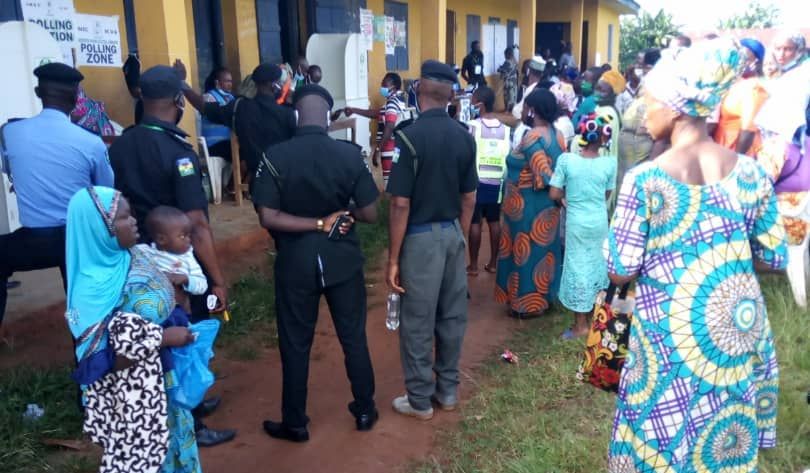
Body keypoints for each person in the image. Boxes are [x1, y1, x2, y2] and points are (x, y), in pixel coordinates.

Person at [605, 38, 786, 472]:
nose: (644, 110)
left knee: (656, 440)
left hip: (669, 334)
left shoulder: (646, 180)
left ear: (676, 106)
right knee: (720, 444)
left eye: (650, 100)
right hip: (734, 330)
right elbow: (775, 257)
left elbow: (620, 271)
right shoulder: (752, 173)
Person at [108, 65, 235, 447]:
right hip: (176, 261)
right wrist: (216, 280)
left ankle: (187, 407)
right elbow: (196, 224)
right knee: (183, 337)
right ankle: (190, 425)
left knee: (157, 338)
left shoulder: (122, 144)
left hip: (138, 262)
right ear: (179, 102)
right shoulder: (178, 151)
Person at [252, 84, 380, 441]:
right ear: (327, 116)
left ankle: (295, 422)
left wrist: (313, 224)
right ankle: (365, 409)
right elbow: (370, 212)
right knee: (353, 336)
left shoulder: (275, 156)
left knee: (295, 343)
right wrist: (336, 218)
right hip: (342, 259)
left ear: (296, 114)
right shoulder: (349, 155)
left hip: (295, 262)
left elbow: (268, 216)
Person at [65, 187, 202, 473]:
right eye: (123, 218)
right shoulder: (91, 291)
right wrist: (162, 339)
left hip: (163, 386)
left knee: (176, 453)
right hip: (132, 404)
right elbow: (100, 363)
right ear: (99, 228)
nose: (134, 222)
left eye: (131, 215)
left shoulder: (134, 257)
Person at [386, 60, 477, 420]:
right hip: (453, 233)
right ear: (450, 95)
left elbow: (400, 203)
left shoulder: (408, 136)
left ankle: (420, 400)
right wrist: (460, 238)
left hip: (420, 239)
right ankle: (448, 391)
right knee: (452, 316)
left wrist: (393, 258)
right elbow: (469, 197)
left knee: (418, 321)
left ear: (420, 91)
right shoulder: (464, 137)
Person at [0, 63, 113, 325]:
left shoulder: (10, 132)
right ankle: (87, 349)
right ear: (76, 99)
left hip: (34, 241)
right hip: (79, 238)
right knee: (79, 290)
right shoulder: (91, 142)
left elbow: (10, 170)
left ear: (38, 92)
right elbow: (105, 192)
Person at [495, 89, 566, 318]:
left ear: (533, 109)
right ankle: (544, 298)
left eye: (526, 107)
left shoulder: (532, 137)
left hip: (528, 206)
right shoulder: (559, 135)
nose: (523, 110)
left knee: (525, 252)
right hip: (548, 206)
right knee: (544, 252)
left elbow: (544, 173)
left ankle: (525, 305)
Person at [549, 112, 616, 339]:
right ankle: (599, 322)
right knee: (597, 266)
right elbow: (606, 194)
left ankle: (580, 326)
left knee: (578, 267)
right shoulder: (609, 163)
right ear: (604, 139)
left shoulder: (567, 161)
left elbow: (554, 192)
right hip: (599, 221)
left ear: (582, 134)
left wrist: (567, 201)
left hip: (576, 221)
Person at [178, 60, 296, 176]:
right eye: (281, 83)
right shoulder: (288, 114)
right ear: (274, 85)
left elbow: (203, 107)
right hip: (285, 179)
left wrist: (182, 82)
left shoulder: (239, 107)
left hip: (257, 181)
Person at [756, 31, 809, 247]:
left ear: (799, 51)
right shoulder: (786, 76)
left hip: (796, 144)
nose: (781, 54)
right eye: (777, 49)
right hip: (785, 146)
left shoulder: (801, 75)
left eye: (787, 49)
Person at [466, 86, 510, 277]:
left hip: (476, 181)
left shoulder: (473, 126)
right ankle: (493, 263)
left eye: (473, 100)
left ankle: (474, 265)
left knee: (475, 223)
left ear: (480, 105)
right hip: (498, 182)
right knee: (494, 221)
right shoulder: (506, 130)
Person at [136, 206, 208, 312]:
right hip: (149, 308)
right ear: (161, 239)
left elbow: (202, 285)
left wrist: (185, 279)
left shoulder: (187, 259)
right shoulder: (143, 252)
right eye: (182, 236)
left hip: (178, 311)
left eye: (189, 235)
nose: (189, 239)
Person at [345, 73, 407, 188]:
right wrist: (353, 110)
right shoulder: (396, 101)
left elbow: (389, 127)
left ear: (393, 86)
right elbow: (375, 113)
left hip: (390, 149)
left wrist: (377, 150)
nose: (381, 86)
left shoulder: (392, 103)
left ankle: (389, 203)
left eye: (384, 83)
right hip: (396, 148)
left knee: (390, 183)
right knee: (395, 178)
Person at [617, 48, 666, 191]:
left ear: (650, 68)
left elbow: (661, 138)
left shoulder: (660, 94)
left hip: (642, 168)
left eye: (640, 65)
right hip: (626, 166)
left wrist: (650, 171)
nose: (637, 68)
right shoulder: (643, 89)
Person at [712, 38, 768, 157]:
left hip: (740, 151)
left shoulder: (754, 88)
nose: (739, 62)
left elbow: (748, 130)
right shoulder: (732, 83)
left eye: (745, 59)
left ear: (756, 62)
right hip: (722, 147)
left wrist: (739, 161)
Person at [201, 67, 235, 164]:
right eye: (227, 81)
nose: (230, 84)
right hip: (214, 145)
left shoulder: (231, 97)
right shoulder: (208, 97)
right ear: (217, 83)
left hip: (228, 143)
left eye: (231, 81)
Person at [511, 56, 546, 148]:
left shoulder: (532, 90)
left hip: (524, 131)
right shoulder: (537, 88)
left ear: (528, 71)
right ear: (542, 74)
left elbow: (518, 116)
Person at [497, 47, 519, 111]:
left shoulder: (507, 62)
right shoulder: (515, 62)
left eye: (505, 54)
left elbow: (502, 70)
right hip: (514, 83)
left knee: (507, 97)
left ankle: (507, 111)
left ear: (507, 54)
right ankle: (512, 111)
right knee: (513, 97)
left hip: (508, 83)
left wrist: (499, 69)